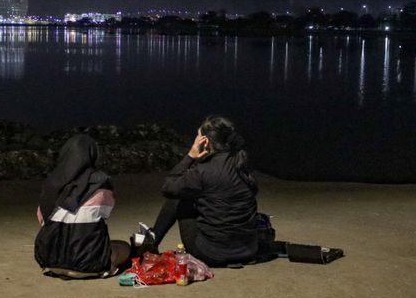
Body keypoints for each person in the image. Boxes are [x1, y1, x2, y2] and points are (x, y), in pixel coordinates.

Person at [142, 116, 259, 267]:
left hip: (212, 254)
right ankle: (151, 242)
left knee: (178, 197)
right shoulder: (242, 162)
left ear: (206, 141)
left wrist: (190, 156)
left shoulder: (203, 170)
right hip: (247, 250)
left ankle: (151, 243)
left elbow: (168, 188)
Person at [34, 134, 131, 278]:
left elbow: (42, 219)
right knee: (124, 247)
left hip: (50, 261)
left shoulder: (51, 183)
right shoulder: (101, 182)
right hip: (88, 264)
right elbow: (105, 214)